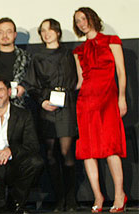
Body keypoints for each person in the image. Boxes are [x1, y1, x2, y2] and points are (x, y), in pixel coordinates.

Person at [72, 7, 128, 213]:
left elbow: (121, 72)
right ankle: (98, 195)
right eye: (77, 21)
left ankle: (119, 194)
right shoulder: (78, 51)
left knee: (111, 148)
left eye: (83, 18)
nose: (81, 23)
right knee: (88, 150)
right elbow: (80, 81)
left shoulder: (111, 40)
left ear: (92, 18)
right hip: (86, 102)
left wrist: (122, 98)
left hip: (107, 100)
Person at [24, 18, 79, 212]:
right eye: (43, 31)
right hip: (46, 105)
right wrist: (42, 101)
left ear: (58, 32)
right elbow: (30, 85)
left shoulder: (68, 54)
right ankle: (59, 199)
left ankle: (71, 199)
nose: (47, 33)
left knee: (66, 153)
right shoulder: (37, 57)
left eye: (50, 29)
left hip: (67, 104)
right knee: (50, 155)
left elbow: (76, 80)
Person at [0, 75, 43, 213]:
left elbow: (33, 146)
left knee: (36, 162)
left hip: (15, 165)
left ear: (9, 92)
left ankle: (16, 200)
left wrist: (11, 150)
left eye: (0, 90)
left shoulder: (24, 115)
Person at [0, 18, 30, 109]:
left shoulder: (26, 57)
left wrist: (24, 88)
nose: (5, 35)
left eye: (9, 31)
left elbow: (33, 82)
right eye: (1, 32)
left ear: (15, 34)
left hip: (21, 107)